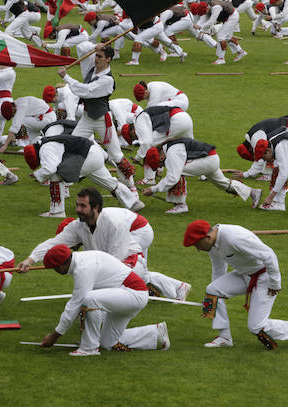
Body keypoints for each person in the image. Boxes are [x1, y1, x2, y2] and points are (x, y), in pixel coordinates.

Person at [18, 187, 190, 300]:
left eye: (83, 206)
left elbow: (114, 261)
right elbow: (53, 243)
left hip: (139, 230)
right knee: (135, 275)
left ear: (96, 207)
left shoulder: (114, 224)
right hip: (125, 243)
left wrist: (90, 279)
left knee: (117, 278)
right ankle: (178, 288)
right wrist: (30, 260)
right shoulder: (78, 225)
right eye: (77, 205)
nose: (78, 210)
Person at [183, 219, 288, 350]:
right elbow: (218, 268)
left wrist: (275, 283)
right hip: (244, 274)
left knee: (256, 327)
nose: (198, 249)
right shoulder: (213, 244)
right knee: (212, 290)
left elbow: (269, 255)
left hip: (264, 277)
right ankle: (224, 338)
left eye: (197, 244)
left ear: (207, 237)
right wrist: (216, 297)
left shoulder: (234, 238)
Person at [35, 244, 169, 355]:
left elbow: (75, 305)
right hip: (126, 294)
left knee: (89, 299)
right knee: (107, 343)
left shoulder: (83, 268)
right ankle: (156, 333)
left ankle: (89, 348)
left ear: (60, 266)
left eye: (54, 268)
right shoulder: (82, 259)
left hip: (133, 294)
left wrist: (55, 335)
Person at [58, 44, 137, 191]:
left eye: (100, 56)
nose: (96, 59)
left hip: (102, 120)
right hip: (87, 118)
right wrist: (95, 46)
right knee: (71, 147)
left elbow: (86, 91)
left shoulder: (107, 80)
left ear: (108, 59)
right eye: (95, 55)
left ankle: (131, 186)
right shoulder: (91, 67)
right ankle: (66, 182)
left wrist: (66, 77)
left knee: (116, 156)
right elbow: (81, 48)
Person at [24, 134, 144, 217]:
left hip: (87, 158)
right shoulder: (47, 141)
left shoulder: (45, 149)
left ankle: (57, 212)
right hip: (95, 153)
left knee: (56, 176)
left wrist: (37, 174)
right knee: (110, 182)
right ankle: (134, 203)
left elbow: (50, 169)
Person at [139, 138, 261, 214]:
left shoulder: (172, 152)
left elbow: (172, 178)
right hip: (211, 159)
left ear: (161, 157)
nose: (162, 166)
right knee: (223, 184)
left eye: (160, 164)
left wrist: (153, 189)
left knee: (177, 172)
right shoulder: (170, 147)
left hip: (208, 160)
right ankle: (253, 192)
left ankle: (180, 205)